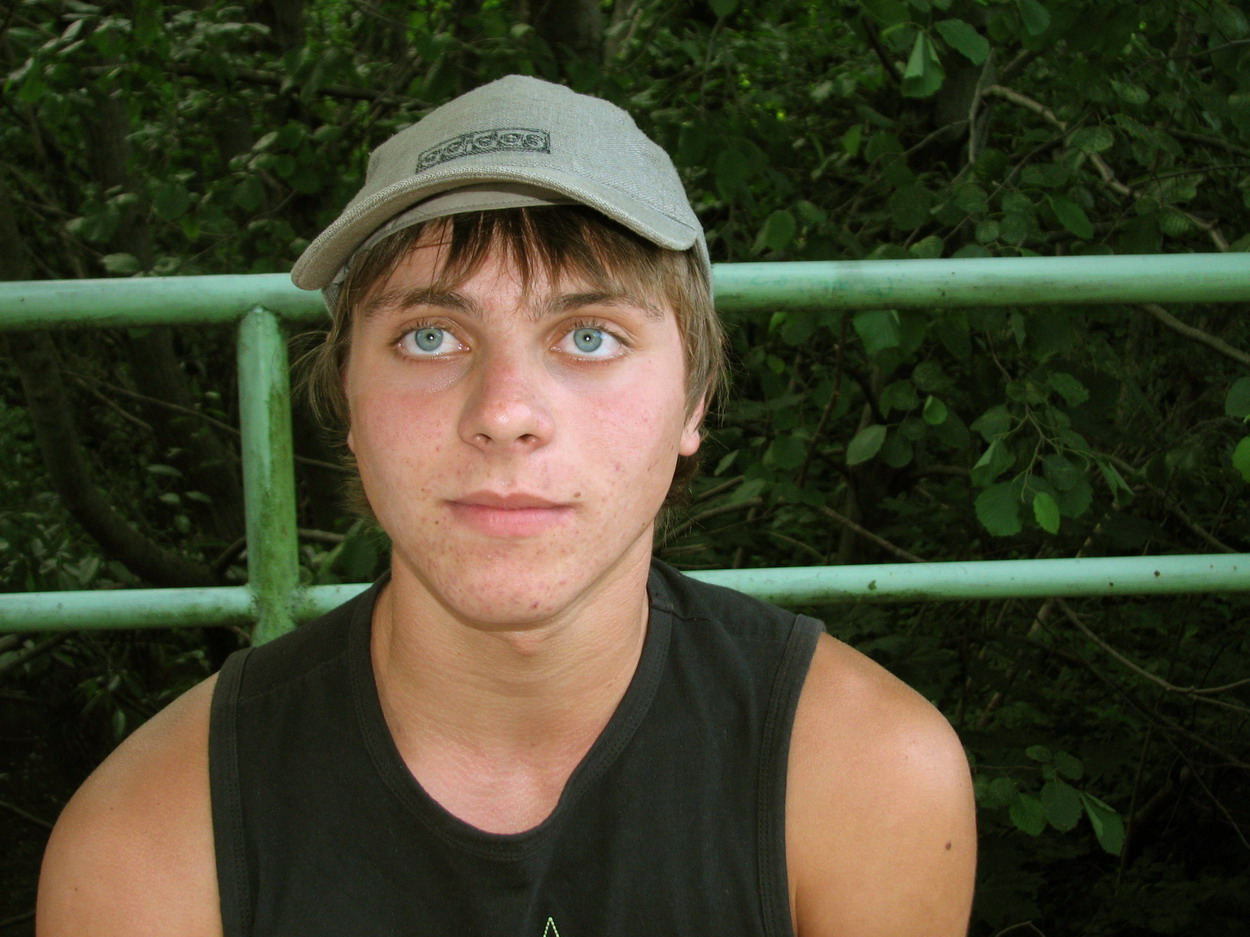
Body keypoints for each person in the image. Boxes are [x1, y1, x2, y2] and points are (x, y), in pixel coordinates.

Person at [36, 75, 976, 936]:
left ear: (694, 399)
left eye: (591, 335)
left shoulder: (865, 780)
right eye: (430, 335)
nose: (505, 412)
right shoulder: (150, 841)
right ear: (349, 400)